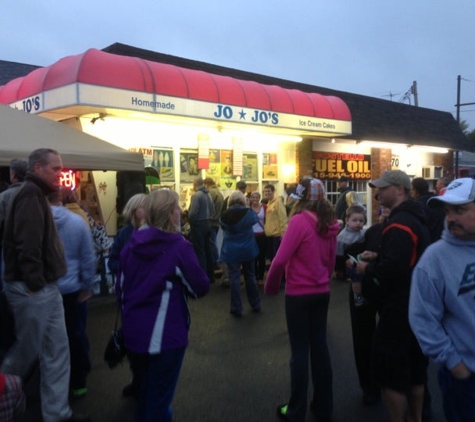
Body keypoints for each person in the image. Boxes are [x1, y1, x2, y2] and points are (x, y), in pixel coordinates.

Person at [1, 148, 90, 422]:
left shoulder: (32, 194)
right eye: (55, 168)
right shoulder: (30, 195)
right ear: (37, 168)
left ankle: (57, 413)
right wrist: (35, 284)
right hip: (35, 288)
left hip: (42, 287)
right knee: (29, 350)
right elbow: (27, 245)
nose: (60, 174)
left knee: (54, 350)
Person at [116, 189, 210, 422]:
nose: (180, 211)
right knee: (159, 401)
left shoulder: (130, 245)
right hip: (166, 335)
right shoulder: (179, 247)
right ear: (170, 214)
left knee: (146, 395)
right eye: (177, 207)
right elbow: (200, 287)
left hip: (134, 333)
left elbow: (120, 289)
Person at [356, 170, 430, 422]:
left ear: (399, 189)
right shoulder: (415, 218)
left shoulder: (399, 224)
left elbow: (394, 270)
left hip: (398, 308)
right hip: (417, 306)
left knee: (391, 376)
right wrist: (379, 256)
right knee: (416, 370)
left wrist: (368, 267)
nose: (377, 193)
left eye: (382, 188)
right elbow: (409, 259)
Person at [265, 178, 339, 422]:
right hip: (322, 292)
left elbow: (279, 259)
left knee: (299, 352)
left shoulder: (298, 221)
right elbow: (330, 263)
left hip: (298, 295)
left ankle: (295, 410)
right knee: (320, 349)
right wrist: (323, 280)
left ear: (300, 199)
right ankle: (323, 406)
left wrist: (271, 287)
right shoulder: (329, 223)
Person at [409, 177, 475, 422]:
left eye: (460, 209)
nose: (451, 218)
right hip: (465, 378)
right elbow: (422, 317)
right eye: (448, 211)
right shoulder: (435, 258)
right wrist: (454, 364)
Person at [48, 190, 96, 399]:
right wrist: (87, 285)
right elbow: (88, 257)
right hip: (73, 289)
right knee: (76, 334)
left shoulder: (35, 223)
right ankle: (79, 383)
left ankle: (54, 388)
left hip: (46, 290)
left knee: (49, 340)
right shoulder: (77, 222)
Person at [345, 205, 390, 406]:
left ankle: (387, 385)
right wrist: (349, 261)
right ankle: (373, 387)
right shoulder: (371, 231)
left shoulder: (406, 228)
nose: (385, 210)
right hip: (368, 288)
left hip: (390, 291)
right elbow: (350, 253)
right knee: (366, 338)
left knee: (388, 339)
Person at [220, 190, 261, 317]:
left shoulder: (225, 215)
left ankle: (236, 307)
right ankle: (255, 304)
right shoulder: (248, 213)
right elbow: (255, 220)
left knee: (234, 278)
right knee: (250, 275)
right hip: (248, 248)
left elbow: (222, 226)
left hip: (231, 250)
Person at [336, 205, 366, 305]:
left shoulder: (364, 233)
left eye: (361, 221)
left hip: (363, 259)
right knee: (356, 274)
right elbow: (339, 253)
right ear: (347, 221)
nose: (358, 223)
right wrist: (340, 268)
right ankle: (357, 295)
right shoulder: (342, 236)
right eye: (354, 220)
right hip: (349, 262)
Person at [188, 177, 215, 283]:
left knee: (200, 251)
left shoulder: (196, 195)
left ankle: (202, 276)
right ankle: (210, 275)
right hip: (208, 223)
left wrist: (190, 221)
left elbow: (193, 212)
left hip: (199, 224)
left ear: (195, 184)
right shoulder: (208, 194)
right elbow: (213, 210)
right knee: (208, 250)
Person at [411, 177, 445, 244]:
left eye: (412, 189)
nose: (411, 192)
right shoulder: (438, 201)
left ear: (415, 190)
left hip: (427, 242)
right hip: (441, 240)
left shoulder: (417, 206)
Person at [203, 177, 224, 269]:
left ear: (206, 184)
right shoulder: (219, 193)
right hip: (217, 221)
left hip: (211, 221)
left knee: (211, 243)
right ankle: (217, 261)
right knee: (213, 242)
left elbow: (207, 206)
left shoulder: (211, 193)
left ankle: (216, 262)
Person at [263, 184, 288, 261]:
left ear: (273, 192)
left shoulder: (278, 202)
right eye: (265, 191)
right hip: (269, 235)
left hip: (277, 235)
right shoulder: (269, 203)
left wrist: (283, 234)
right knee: (272, 259)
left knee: (276, 258)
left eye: (269, 191)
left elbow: (283, 218)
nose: (267, 193)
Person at [250, 191, 267, 283]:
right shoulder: (248, 208)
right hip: (251, 235)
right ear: (250, 198)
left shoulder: (264, 207)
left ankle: (260, 276)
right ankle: (254, 275)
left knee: (261, 256)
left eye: (257, 197)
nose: (255, 199)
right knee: (253, 256)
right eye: (253, 197)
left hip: (262, 234)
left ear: (259, 198)